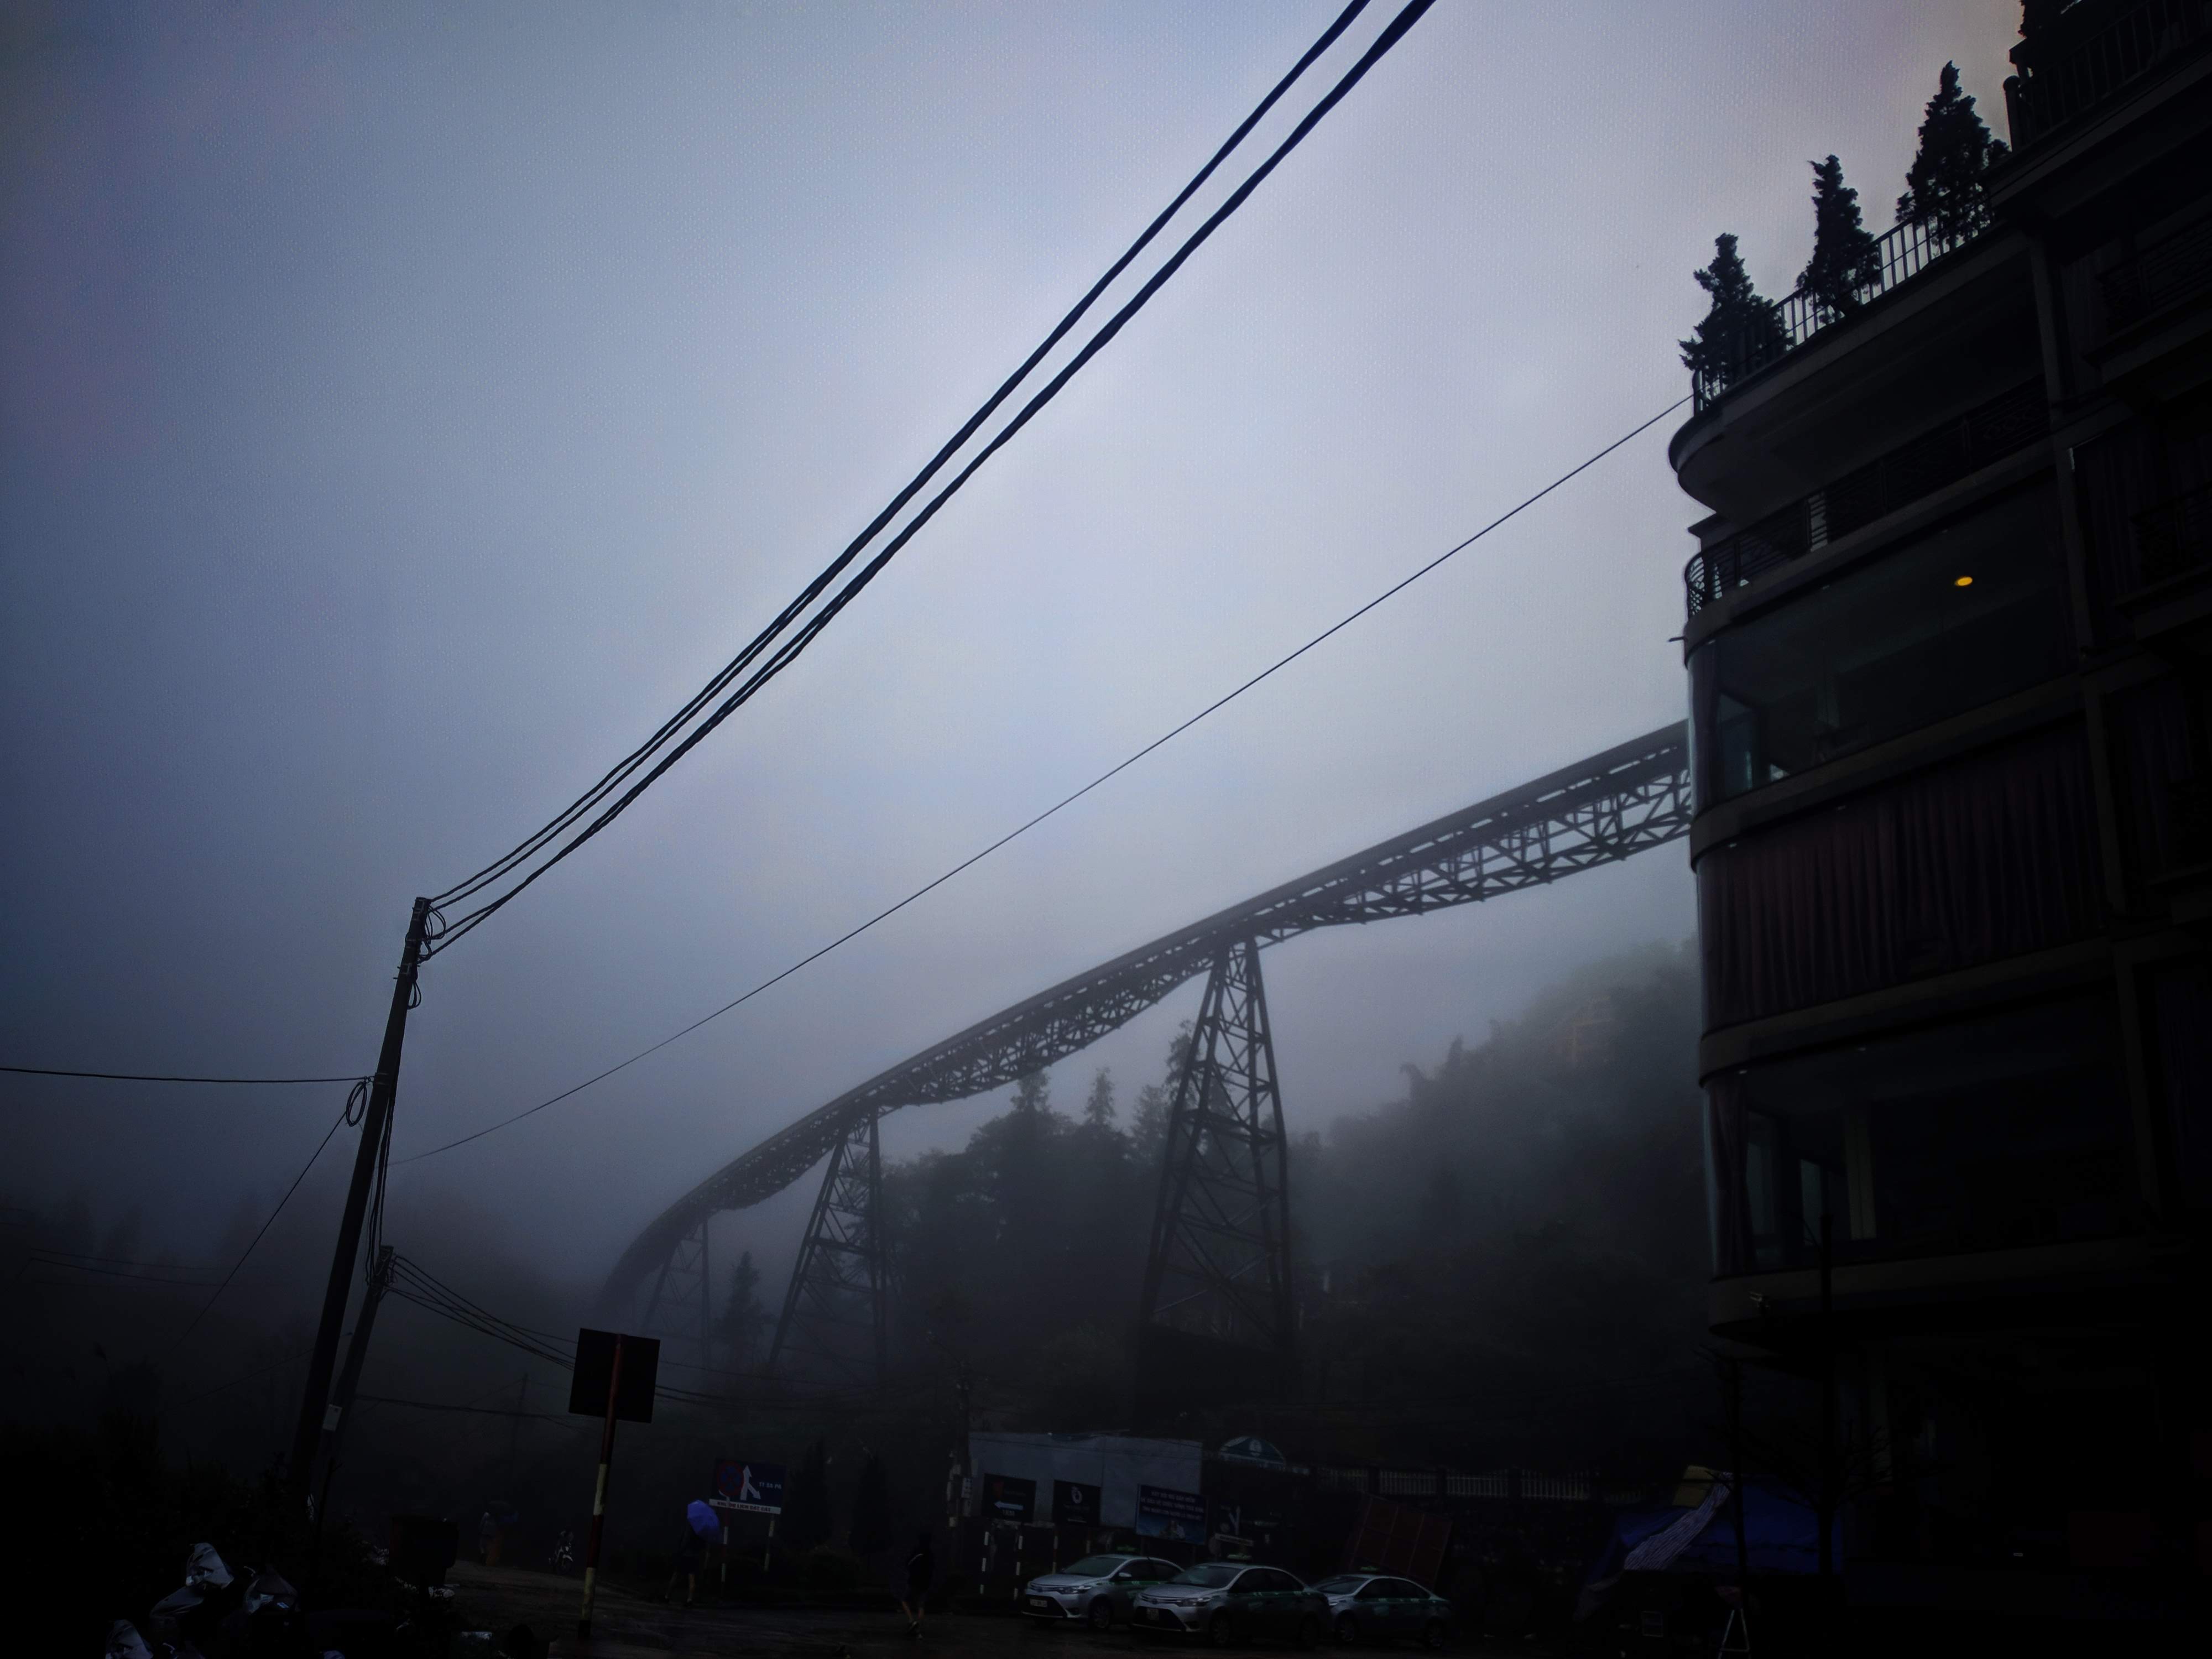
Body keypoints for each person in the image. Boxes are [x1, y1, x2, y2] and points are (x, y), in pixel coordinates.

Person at [659, 1500, 717, 1607]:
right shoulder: (703, 1530)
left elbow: (686, 1540)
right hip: (694, 1556)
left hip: (685, 1554)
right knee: (692, 1578)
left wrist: (680, 1551)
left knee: (676, 1575)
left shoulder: (691, 1524)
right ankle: (690, 1599)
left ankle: (667, 1596)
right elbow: (705, 1545)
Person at [899, 1530, 934, 1642]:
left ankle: (911, 1621)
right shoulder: (930, 1554)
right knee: (921, 1606)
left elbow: (908, 1563)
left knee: (904, 1601)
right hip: (925, 1584)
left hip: (914, 1582)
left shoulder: (917, 1552)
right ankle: (918, 1629)